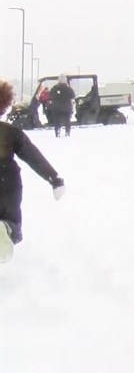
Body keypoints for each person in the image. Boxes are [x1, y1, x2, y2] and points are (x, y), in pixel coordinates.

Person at [0, 80, 66, 263]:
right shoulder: (10, 132)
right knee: (11, 223)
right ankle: (6, 228)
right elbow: (33, 156)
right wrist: (54, 179)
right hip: (7, 181)